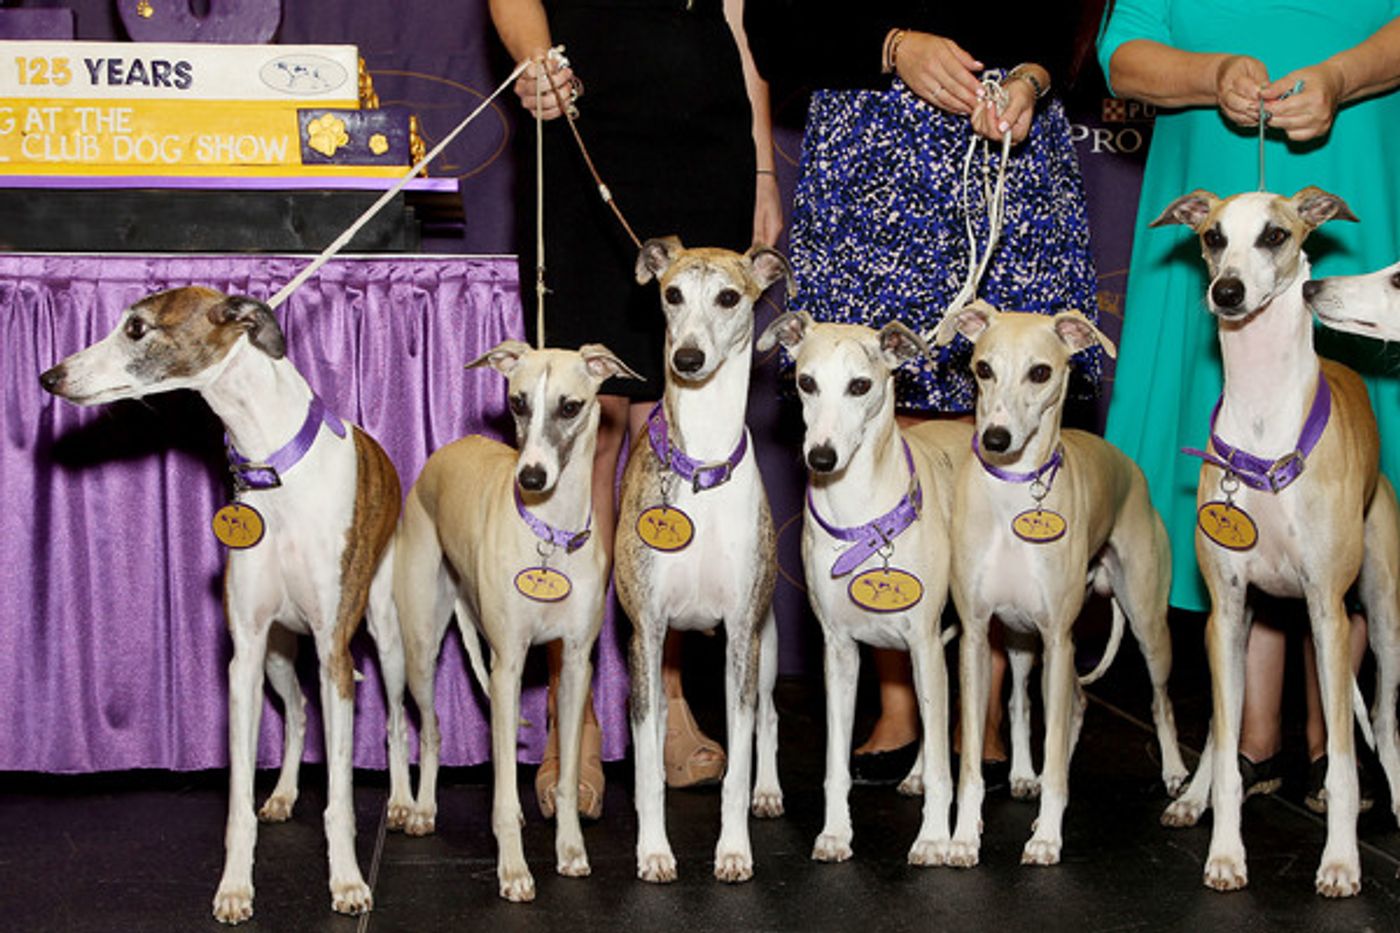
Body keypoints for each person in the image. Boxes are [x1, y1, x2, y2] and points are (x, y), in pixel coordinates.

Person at [746, 1, 1104, 785]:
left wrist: (1035, 79)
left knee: (1005, 418)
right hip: (873, 148)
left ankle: (980, 710)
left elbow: (1065, 22)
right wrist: (892, 45)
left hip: (1006, 151)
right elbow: (775, 30)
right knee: (876, 421)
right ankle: (901, 696)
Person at [1098, 2, 1400, 806]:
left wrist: (1341, 76)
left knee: (1348, 460)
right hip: (1215, 184)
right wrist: (1209, 75)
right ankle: (1250, 737)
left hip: (1349, 164)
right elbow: (1120, 56)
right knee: (1234, 462)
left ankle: (1335, 738)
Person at [488, 0, 783, 819]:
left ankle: (671, 691)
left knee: (677, 431)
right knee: (595, 423)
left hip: (706, 142)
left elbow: (739, 15)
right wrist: (534, 56)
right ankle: (571, 708)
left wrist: (760, 161)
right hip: (586, 123)